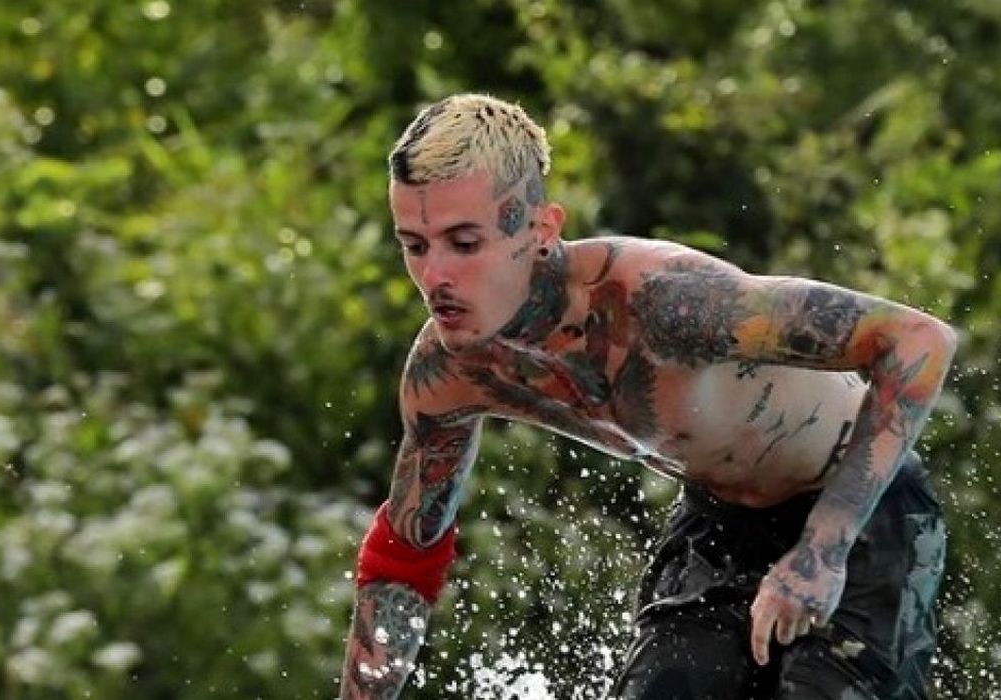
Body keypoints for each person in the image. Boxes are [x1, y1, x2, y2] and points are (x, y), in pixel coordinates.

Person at [338, 93, 957, 700]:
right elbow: (404, 558)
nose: (435, 277)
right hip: (718, 525)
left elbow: (917, 341)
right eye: (414, 246)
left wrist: (823, 548)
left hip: (863, 511)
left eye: (465, 243)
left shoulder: (663, 301)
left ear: (541, 230)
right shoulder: (450, 372)